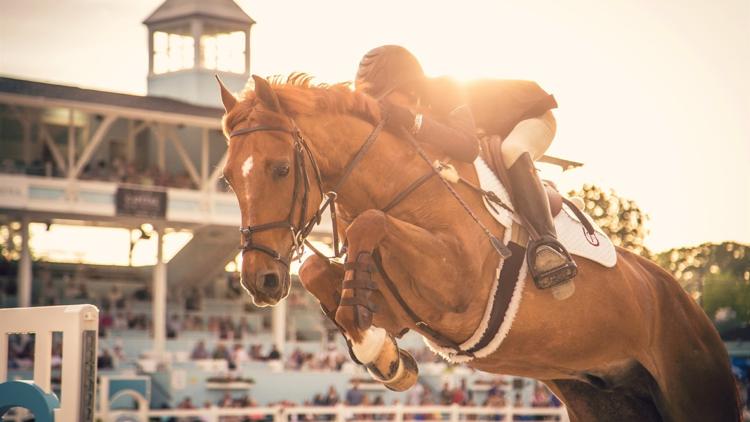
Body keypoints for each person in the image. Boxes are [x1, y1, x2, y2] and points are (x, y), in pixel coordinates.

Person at [354, 45, 577, 289]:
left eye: (383, 97)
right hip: (488, 131)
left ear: (406, 87)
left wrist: (411, 120)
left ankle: (549, 245)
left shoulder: (445, 89)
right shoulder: (412, 104)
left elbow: (467, 147)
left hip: (532, 118)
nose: (381, 106)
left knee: (511, 151)